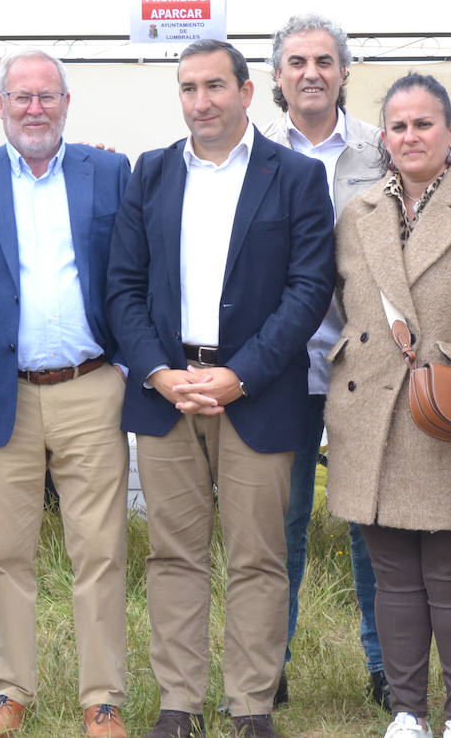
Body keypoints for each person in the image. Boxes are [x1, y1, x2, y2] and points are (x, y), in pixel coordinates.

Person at [108, 39, 334, 738]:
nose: (199, 101)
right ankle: (180, 701)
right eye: (187, 88)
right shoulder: (148, 174)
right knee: (173, 554)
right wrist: (160, 372)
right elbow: (124, 288)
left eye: (213, 86)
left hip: (257, 393)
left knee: (257, 557)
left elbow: (308, 289)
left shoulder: (293, 176)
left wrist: (241, 375)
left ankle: (251, 706)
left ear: (245, 90)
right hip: (166, 389)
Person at [0, 49, 132, 738]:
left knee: (100, 549)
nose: (35, 109)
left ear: (68, 103)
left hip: (91, 385)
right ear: (0, 106)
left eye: (47, 96)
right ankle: (11, 692)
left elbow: (129, 278)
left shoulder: (110, 171)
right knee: (5, 551)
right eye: (21, 97)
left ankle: (102, 697)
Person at [326, 72, 451, 738]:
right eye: (397, 126)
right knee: (394, 577)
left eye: (423, 123)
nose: (409, 136)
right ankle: (407, 710)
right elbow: (345, 304)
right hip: (369, 409)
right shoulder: (361, 211)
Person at [260, 13, 389, 711]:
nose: (311, 72)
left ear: (344, 71)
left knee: (371, 521)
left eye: (323, 61)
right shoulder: (251, 150)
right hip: (280, 364)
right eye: (296, 62)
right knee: (280, 522)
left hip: (364, 362)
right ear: (277, 77)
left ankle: (384, 666)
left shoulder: (382, 145)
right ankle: (267, 668)